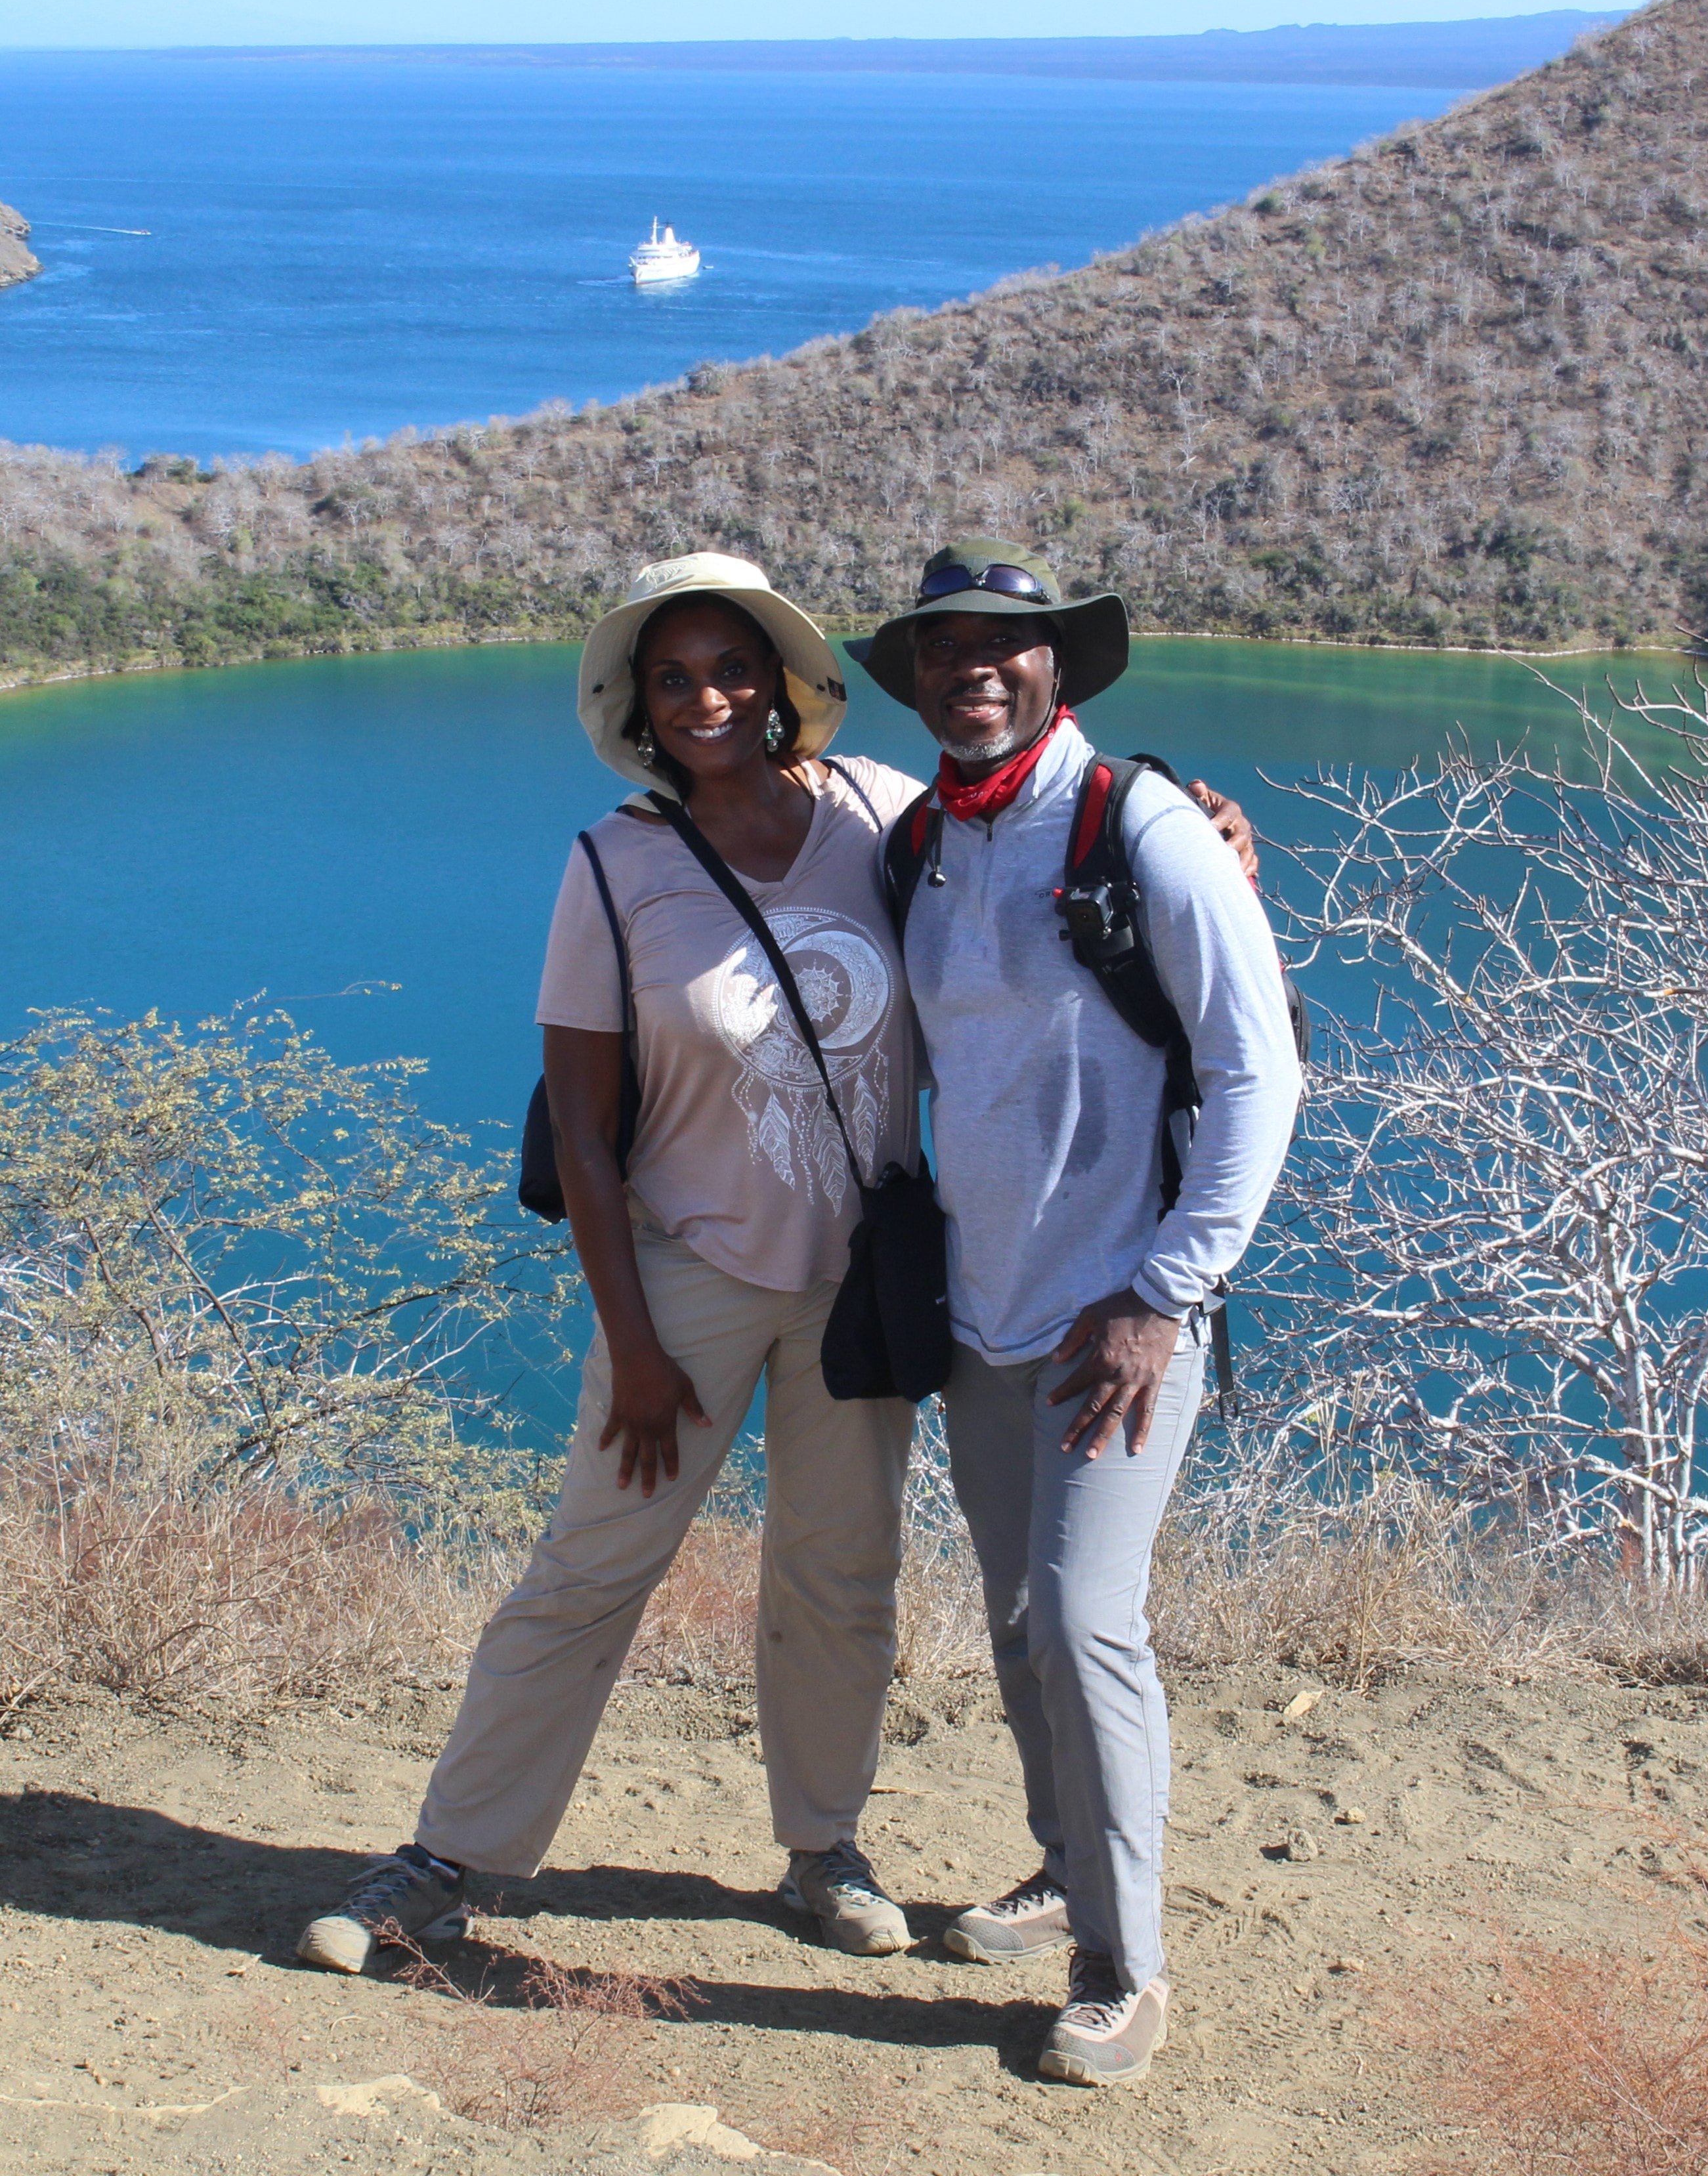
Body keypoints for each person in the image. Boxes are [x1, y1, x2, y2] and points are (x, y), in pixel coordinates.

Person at [295, 547, 1263, 1982]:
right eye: (672, 677)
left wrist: (1207, 828)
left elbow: (1055, 850)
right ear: (637, 702)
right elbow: (577, 1117)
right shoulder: (614, 863)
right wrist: (627, 1336)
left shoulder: (881, 814)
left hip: (860, 1285)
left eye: (731, 669)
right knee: (588, 1566)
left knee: (839, 1576)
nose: (703, 698)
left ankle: (823, 1854)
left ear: (781, 685)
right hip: (687, 1281)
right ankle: (449, 1857)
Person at [853, 540, 1300, 2086]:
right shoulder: (923, 838)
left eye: (1008, 644)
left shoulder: (1143, 831)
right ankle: (1064, 1868)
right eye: (944, 646)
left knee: (1085, 1622)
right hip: (982, 1312)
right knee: (1015, 1621)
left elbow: (1259, 1075)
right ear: (916, 671)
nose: (974, 667)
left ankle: (1127, 1966)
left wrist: (1164, 1297)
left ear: (1060, 666)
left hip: (1115, 1314)